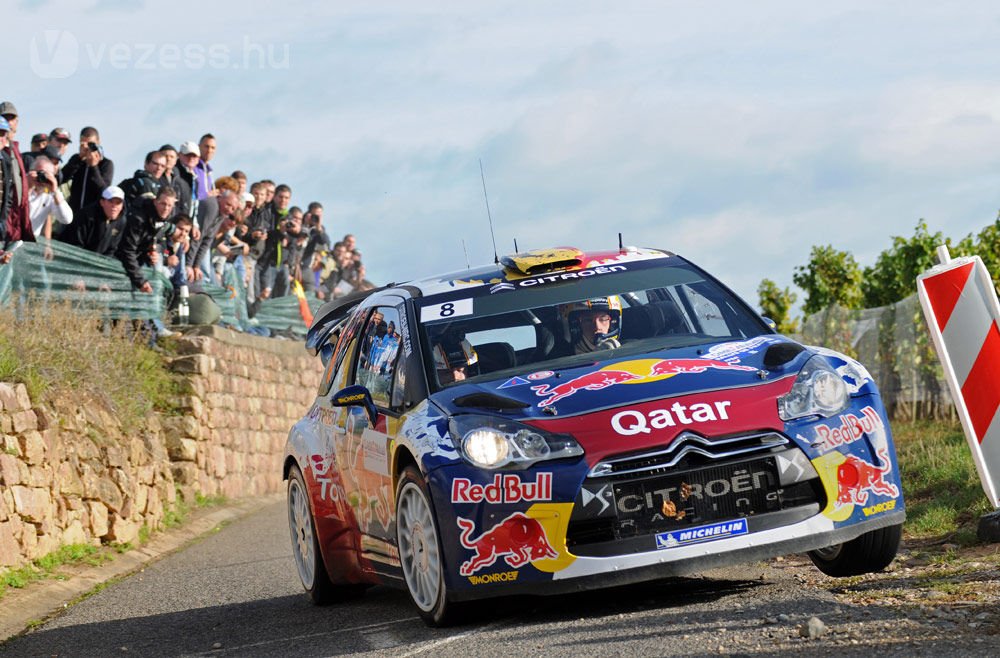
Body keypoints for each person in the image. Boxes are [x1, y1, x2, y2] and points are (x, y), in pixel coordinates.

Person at [116, 186, 177, 292]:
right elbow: (127, 250)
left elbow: (164, 244)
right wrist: (140, 281)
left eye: (169, 205)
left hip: (139, 259)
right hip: (119, 258)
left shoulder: (165, 219)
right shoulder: (138, 218)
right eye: (163, 203)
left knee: (165, 271)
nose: (166, 208)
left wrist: (155, 254)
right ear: (155, 202)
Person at [59, 185, 127, 256]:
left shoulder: (121, 221)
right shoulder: (86, 216)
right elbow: (75, 244)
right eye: (111, 201)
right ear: (102, 202)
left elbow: (111, 249)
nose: (114, 206)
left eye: (118, 203)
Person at [63, 127, 114, 215]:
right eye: (83, 143)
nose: (87, 147)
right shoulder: (77, 160)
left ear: (98, 142)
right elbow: (62, 178)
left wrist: (94, 167)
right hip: (74, 215)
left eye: (91, 143)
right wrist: (79, 158)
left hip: (94, 217)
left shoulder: (106, 163)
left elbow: (104, 191)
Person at [27, 156, 73, 240]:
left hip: (28, 241)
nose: (42, 178)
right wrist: (27, 187)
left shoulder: (51, 195)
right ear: (31, 171)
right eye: (40, 173)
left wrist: (55, 191)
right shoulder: (19, 185)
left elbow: (66, 219)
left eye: (46, 175)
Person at [194, 133, 216, 200]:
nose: (209, 151)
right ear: (199, 147)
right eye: (206, 146)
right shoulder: (193, 167)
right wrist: (207, 195)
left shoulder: (209, 172)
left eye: (213, 148)